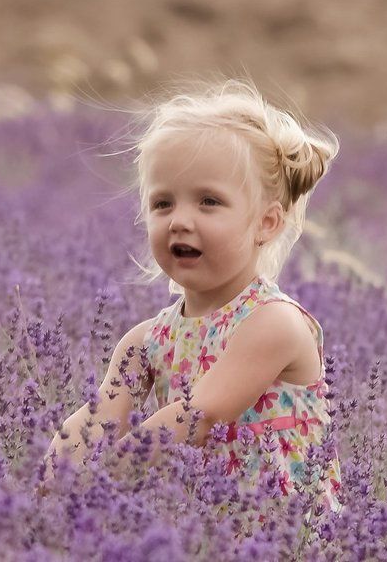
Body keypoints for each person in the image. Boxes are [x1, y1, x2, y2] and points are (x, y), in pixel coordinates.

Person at [38, 77, 344, 522]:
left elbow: (199, 416)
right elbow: (97, 420)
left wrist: (99, 483)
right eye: (163, 204)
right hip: (199, 537)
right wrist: (52, 487)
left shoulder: (273, 325)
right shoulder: (146, 341)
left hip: (286, 539)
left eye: (208, 201)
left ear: (266, 223)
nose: (180, 220)